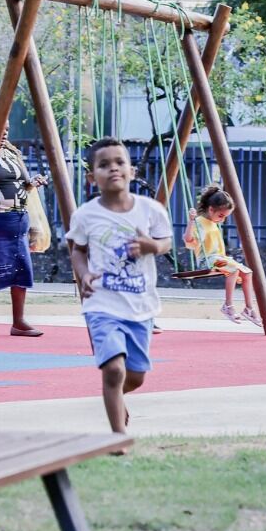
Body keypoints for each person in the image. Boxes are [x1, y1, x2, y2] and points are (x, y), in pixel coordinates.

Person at [66, 137, 172, 436]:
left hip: (140, 306)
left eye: (119, 162)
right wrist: (84, 273)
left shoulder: (150, 210)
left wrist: (152, 245)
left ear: (132, 171)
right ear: (92, 177)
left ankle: (113, 394)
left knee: (135, 377)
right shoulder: (86, 215)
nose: (113, 168)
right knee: (113, 370)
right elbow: (78, 249)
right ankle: (117, 437)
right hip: (102, 304)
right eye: (104, 165)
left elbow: (165, 242)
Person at [0, 101, 48, 338]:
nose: (4, 131)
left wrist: (32, 183)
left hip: (17, 220)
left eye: (6, 126)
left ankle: (18, 321)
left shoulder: (11, 152)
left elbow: (20, 183)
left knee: (21, 270)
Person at [183, 185, 263, 327]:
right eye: (221, 216)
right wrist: (190, 221)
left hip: (219, 259)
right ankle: (228, 306)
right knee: (233, 270)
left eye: (225, 217)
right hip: (206, 261)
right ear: (211, 209)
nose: (222, 220)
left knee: (247, 272)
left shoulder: (213, 223)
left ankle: (249, 308)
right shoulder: (199, 222)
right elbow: (188, 240)